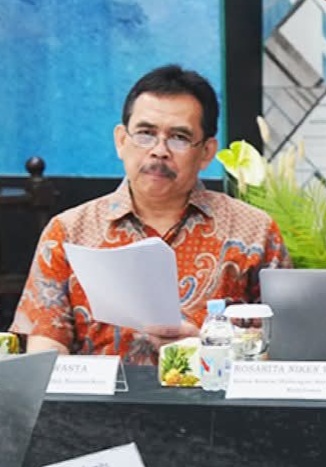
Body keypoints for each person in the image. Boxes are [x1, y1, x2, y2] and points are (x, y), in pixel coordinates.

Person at [10, 64, 290, 364]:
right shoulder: (68, 232)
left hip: (215, 393)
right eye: (145, 134)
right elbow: (45, 343)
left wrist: (210, 346)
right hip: (102, 395)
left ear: (207, 152)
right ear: (121, 141)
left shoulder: (254, 231)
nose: (159, 150)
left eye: (179, 137)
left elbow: (288, 345)